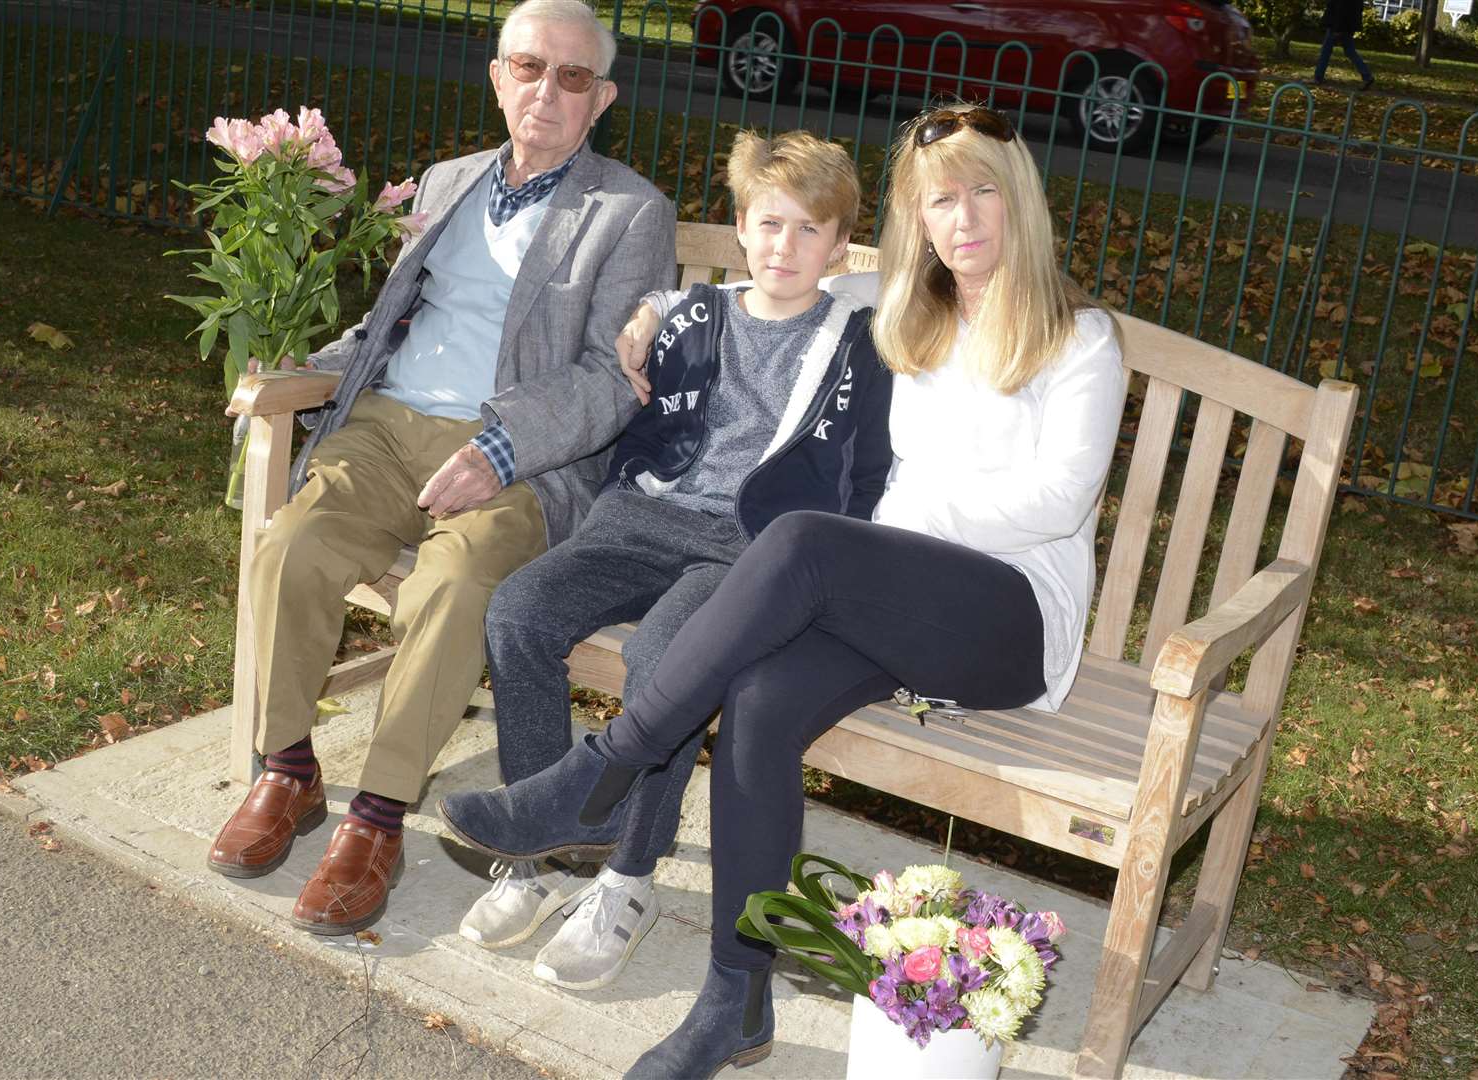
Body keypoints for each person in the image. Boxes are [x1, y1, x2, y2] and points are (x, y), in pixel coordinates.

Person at [440, 102, 1126, 1078]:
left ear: (1019, 202)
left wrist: (891, 531)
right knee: (759, 705)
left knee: (804, 542)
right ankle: (734, 1001)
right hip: (889, 601)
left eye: (983, 192)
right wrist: (656, 313)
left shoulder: (1078, 338)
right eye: (940, 201)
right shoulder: (904, 317)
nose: (964, 218)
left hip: (1005, 624)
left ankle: (599, 775)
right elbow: (782, 266)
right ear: (916, 222)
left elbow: (1058, 500)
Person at [205, 0, 677, 938]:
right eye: (529, 67)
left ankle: (377, 819)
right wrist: (303, 375)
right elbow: (392, 326)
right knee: (291, 544)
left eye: (572, 76)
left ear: (603, 98)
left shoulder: (630, 211)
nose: (547, 89)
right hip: (386, 429)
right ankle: (289, 768)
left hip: (524, 460)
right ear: (497, 76)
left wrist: (498, 447)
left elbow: (614, 382)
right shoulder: (449, 179)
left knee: (456, 587)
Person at [455, 130, 893, 992]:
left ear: (842, 246)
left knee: (665, 662)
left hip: (749, 548)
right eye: (769, 225)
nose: (786, 247)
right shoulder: (699, 313)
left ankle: (628, 879)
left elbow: (919, 283)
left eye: (811, 231)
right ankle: (539, 852)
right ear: (740, 227)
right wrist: (660, 303)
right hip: (640, 517)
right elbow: (684, 313)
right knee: (519, 613)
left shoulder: (860, 335)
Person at [1313, 0, 1375, 90]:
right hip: (1347, 25)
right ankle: (1367, 76)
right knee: (1350, 51)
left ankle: (1318, 77)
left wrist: (1337, 28)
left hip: (1337, 24)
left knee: (1326, 50)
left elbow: (1341, 7)